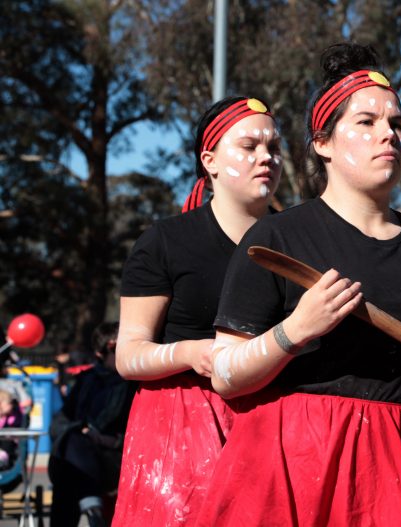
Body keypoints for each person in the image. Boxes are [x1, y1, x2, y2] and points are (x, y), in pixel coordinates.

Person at [194, 43, 401, 526]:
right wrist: (295, 331)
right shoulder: (278, 236)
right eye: (366, 122)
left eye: (396, 124)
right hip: (295, 461)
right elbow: (225, 376)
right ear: (323, 143)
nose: (388, 135)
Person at [112, 95, 282, 526]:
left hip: (271, 422)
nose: (266, 157)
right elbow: (128, 355)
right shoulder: (166, 242)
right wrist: (191, 353)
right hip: (179, 425)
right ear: (210, 160)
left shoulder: (298, 243)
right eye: (249, 146)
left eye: (274, 148)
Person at [48, 321, 137, 527]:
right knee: (73, 450)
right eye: (115, 348)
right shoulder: (86, 380)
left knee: (69, 466)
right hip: (83, 455)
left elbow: (139, 436)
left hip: (118, 457)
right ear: (99, 353)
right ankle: (93, 510)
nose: (123, 353)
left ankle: (91, 507)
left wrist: (100, 438)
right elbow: (61, 419)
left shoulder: (136, 383)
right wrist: (79, 433)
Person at [0, 389, 23, 470]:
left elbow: (18, 419)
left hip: (8, 443)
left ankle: (2, 458)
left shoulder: (13, 416)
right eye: (9, 403)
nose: (11, 405)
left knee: (7, 439)